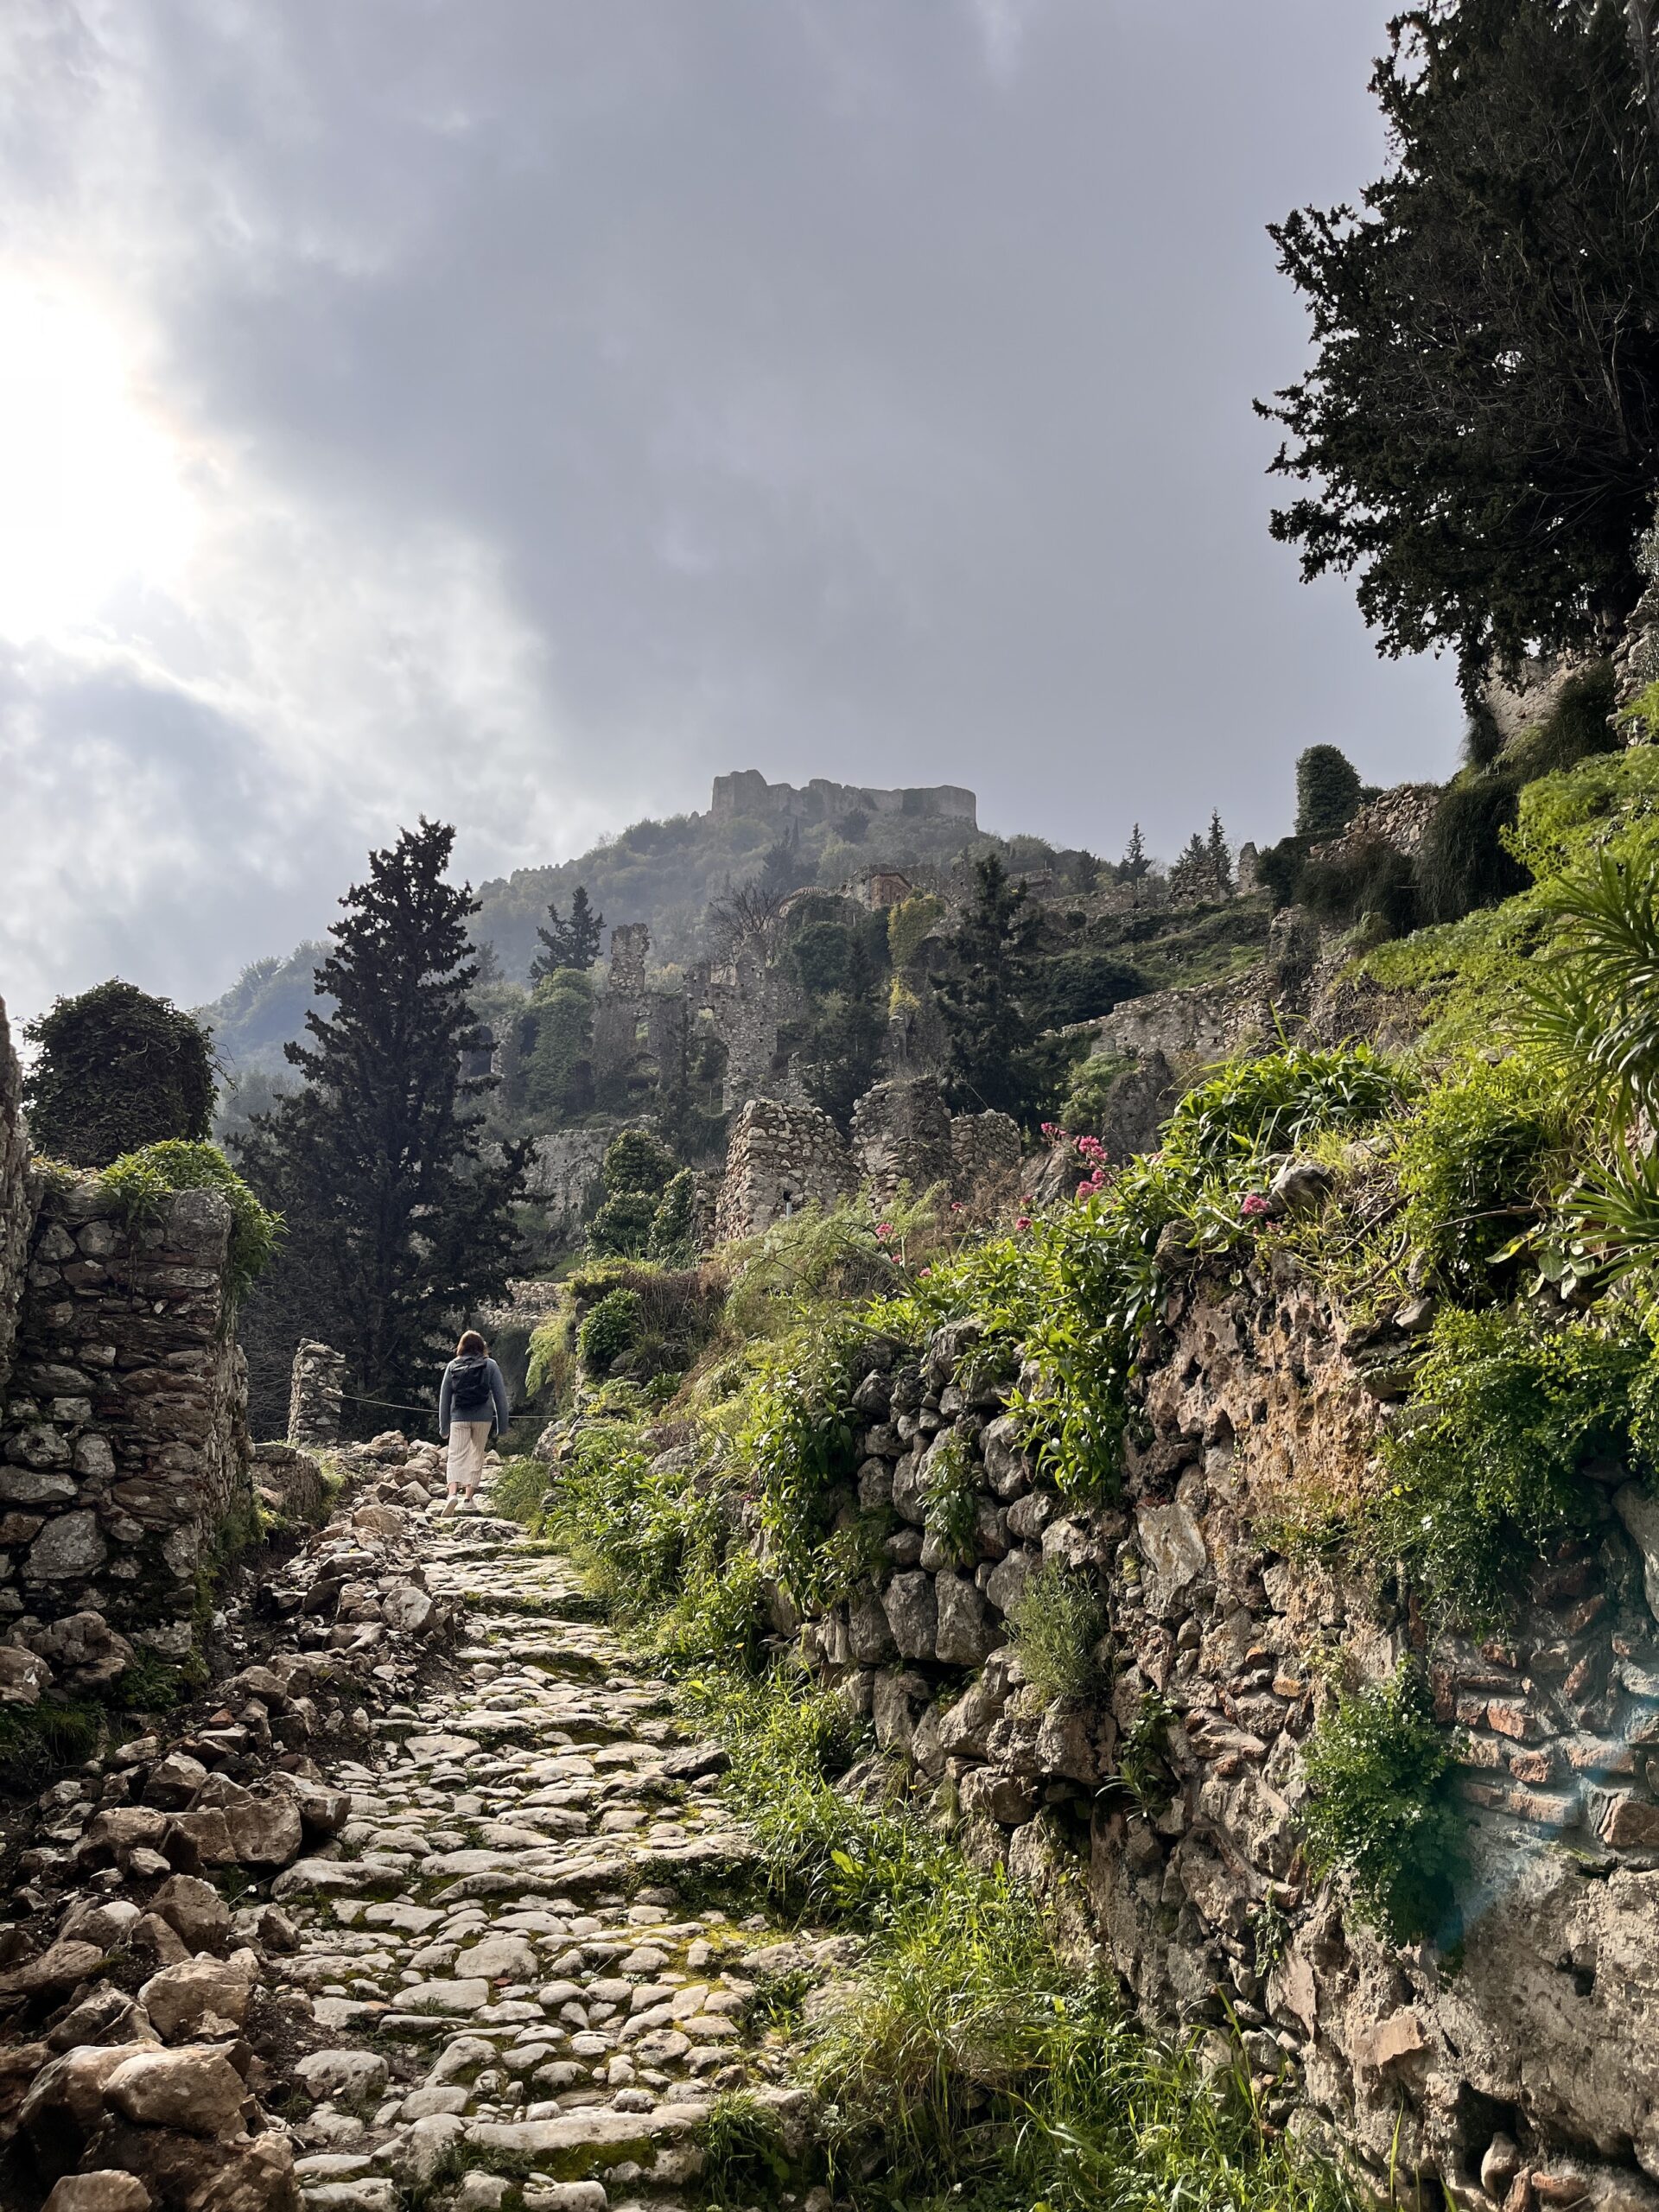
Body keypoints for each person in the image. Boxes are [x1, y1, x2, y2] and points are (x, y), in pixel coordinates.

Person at [437, 1329, 512, 1513]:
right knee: (476, 1455)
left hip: (459, 1417)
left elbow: (444, 1399)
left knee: (455, 1455)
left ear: (461, 1347)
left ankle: (452, 1494)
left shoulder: (453, 1365)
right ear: (481, 1346)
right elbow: (500, 1397)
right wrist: (502, 1426)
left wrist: (444, 1427)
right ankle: (468, 1499)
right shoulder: (490, 1365)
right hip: (483, 1418)